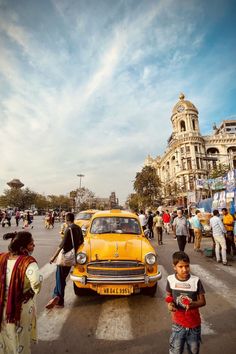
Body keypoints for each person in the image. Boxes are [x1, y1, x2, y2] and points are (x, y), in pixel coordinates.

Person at [0, 231, 43, 354]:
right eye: (31, 244)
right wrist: (33, 290)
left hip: (3, 307)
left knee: (5, 337)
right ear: (22, 248)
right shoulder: (28, 262)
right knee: (20, 339)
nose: (34, 246)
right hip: (20, 309)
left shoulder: (2, 258)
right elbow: (37, 282)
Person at [166, 251, 206, 354]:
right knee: (176, 350)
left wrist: (193, 304)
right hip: (178, 324)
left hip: (194, 324)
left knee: (193, 350)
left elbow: (202, 301)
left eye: (187, 266)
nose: (185, 269)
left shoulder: (196, 281)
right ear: (174, 267)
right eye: (181, 266)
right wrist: (170, 305)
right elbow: (169, 297)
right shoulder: (170, 280)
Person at [45, 212, 84, 309]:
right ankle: (56, 296)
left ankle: (59, 299)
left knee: (60, 277)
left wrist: (53, 257)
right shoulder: (78, 228)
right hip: (72, 256)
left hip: (65, 257)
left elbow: (61, 245)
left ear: (66, 220)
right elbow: (82, 241)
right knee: (62, 278)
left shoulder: (68, 229)